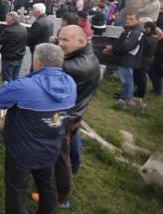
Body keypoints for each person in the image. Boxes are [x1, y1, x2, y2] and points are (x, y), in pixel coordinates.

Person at [0, 43, 77, 214]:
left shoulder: (25, 86)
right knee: (47, 184)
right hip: (51, 145)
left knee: (16, 188)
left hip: (22, 148)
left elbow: (1, 98)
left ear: (38, 62)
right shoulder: (70, 83)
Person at [52, 25, 101, 209]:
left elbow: (50, 68)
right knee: (70, 146)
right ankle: (75, 166)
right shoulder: (85, 56)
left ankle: (60, 196)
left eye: (66, 40)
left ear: (81, 41)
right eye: (60, 39)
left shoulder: (75, 67)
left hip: (64, 117)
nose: (60, 43)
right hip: (74, 113)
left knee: (60, 157)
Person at [104, 13, 143, 106]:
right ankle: (124, 95)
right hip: (125, 57)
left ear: (137, 20)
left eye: (131, 19)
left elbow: (127, 46)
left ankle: (127, 98)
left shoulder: (136, 31)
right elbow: (121, 42)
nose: (128, 21)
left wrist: (113, 49)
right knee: (124, 78)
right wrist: (113, 47)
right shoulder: (130, 29)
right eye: (128, 19)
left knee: (127, 79)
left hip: (129, 58)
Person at [0, 12, 27, 82]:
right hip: (19, 57)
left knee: (7, 80)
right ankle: (14, 92)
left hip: (9, 58)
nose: (6, 20)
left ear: (10, 19)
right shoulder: (23, 28)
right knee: (15, 78)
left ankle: (8, 92)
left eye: (6, 18)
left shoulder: (9, 31)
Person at [133, 21, 158, 99]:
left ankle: (140, 93)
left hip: (143, 59)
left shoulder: (147, 39)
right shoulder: (154, 38)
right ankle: (140, 91)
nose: (143, 29)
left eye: (145, 27)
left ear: (149, 28)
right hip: (149, 59)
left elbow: (141, 49)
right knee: (142, 76)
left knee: (140, 76)